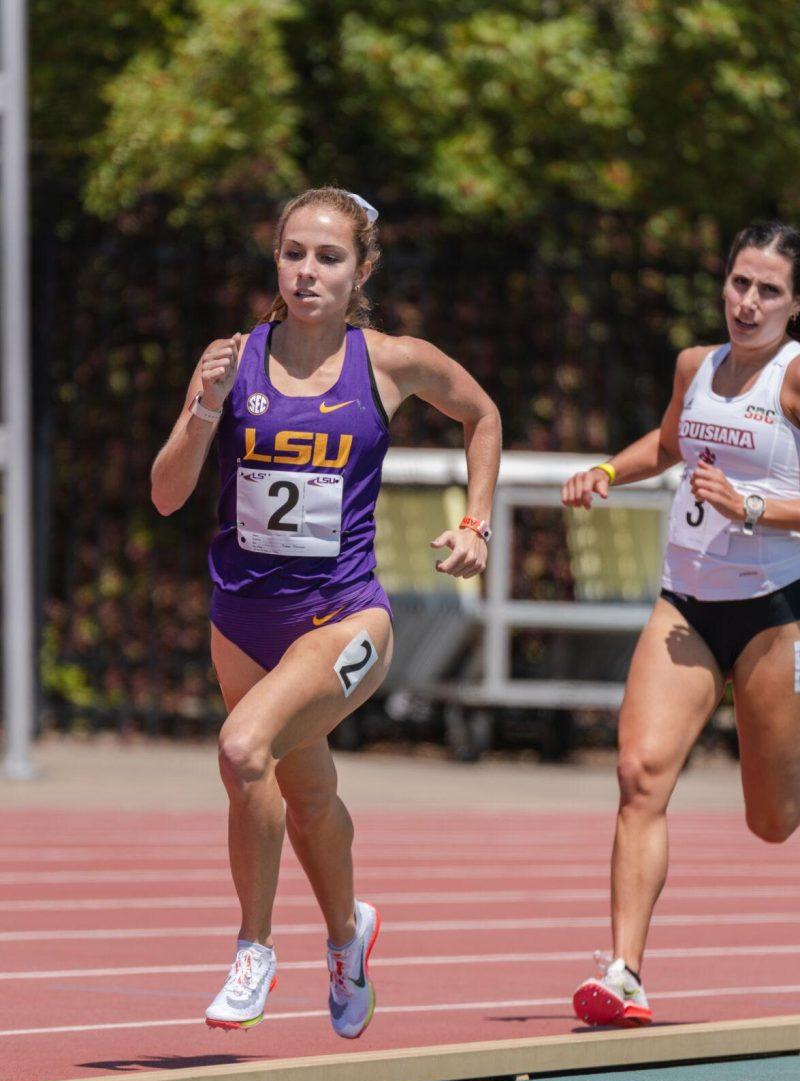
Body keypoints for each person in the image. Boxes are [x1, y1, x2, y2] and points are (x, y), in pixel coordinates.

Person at [151, 187, 501, 1037]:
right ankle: (349, 936)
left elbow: (482, 414)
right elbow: (166, 496)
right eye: (294, 254)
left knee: (242, 749)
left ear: (361, 272)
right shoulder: (233, 359)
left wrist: (476, 524)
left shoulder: (390, 362)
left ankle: (253, 948)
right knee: (304, 800)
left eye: (329, 258)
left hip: (344, 620)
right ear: (275, 259)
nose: (308, 272)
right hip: (243, 619)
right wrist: (203, 406)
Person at [561, 220, 800, 1027]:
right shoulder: (695, 367)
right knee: (639, 775)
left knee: (772, 823)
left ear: (794, 304)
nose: (749, 301)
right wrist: (603, 471)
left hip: (775, 615)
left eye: (769, 289)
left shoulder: (795, 379)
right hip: (686, 605)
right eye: (740, 282)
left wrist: (757, 507)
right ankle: (625, 972)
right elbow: (667, 444)